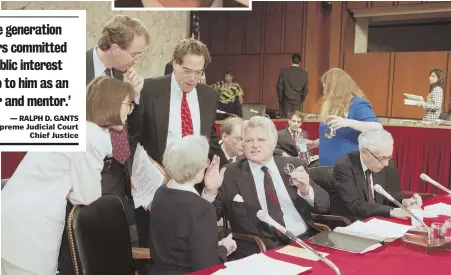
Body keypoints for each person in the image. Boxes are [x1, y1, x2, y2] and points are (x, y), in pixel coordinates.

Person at [1, 77, 135, 275]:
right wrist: (74, 189)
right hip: (32, 226)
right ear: (112, 103)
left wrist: (73, 187)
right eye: (128, 104)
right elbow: (88, 197)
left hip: (11, 215)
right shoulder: (92, 136)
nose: (130, 111)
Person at [129, 38, 220, 267]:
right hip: (156, 186)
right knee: (156, 253)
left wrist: (219, 163)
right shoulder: (150, 89)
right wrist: (133, 174)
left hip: (193, 186)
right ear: (175, 64)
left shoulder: (209, 95)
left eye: (198, 72)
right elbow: (132, 135)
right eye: (187, 70)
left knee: (194, 253)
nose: (192, 78)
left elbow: (212, 138)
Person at [201, 116, 330, 259]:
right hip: (260, 249)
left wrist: (306, 191)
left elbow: (324, 205)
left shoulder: (292, 165)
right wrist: (210, 191)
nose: (254, 145)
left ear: (274, 142)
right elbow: (206, 219)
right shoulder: (230, 173)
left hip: (304, 242)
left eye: (261, 140)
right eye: (249, 140)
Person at [149, 136, 237, 274]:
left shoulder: (161, 193)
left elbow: (187, 225)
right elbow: (207, 267)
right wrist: (224, 249)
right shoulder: (200, 208)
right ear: (198, 168)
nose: (208, 163)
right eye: (206, 161)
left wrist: (210, 191)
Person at [330, 129, 422, 222]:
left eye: (389, 157)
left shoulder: (378, 164)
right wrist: (392, 211)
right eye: (382, 158)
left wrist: (403, 202)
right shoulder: (344, 166)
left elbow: (383, 197)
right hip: (351, 222)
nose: (386, 163)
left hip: (375, 220)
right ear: (364, 152)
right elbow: (354, 204)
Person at [318, 68, 382, 167]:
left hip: (346, 167)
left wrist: (347, 122)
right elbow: (335, 134)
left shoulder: (357, 104)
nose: (324, 92)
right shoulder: (333, 105)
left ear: (336, 88)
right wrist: (317, 142)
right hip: (326, 165)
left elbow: (377, 128)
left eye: (327, 88)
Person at [277, 53, 308, 118]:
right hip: (297, 102)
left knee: (285, 122)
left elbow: (279, 87)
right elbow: (305, 90)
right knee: (296, 121)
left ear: (291, 61)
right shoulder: (304, 74)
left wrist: (281, 100)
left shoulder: (284, 71)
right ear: (300, 62)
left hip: (286, 101)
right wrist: (300, 100)